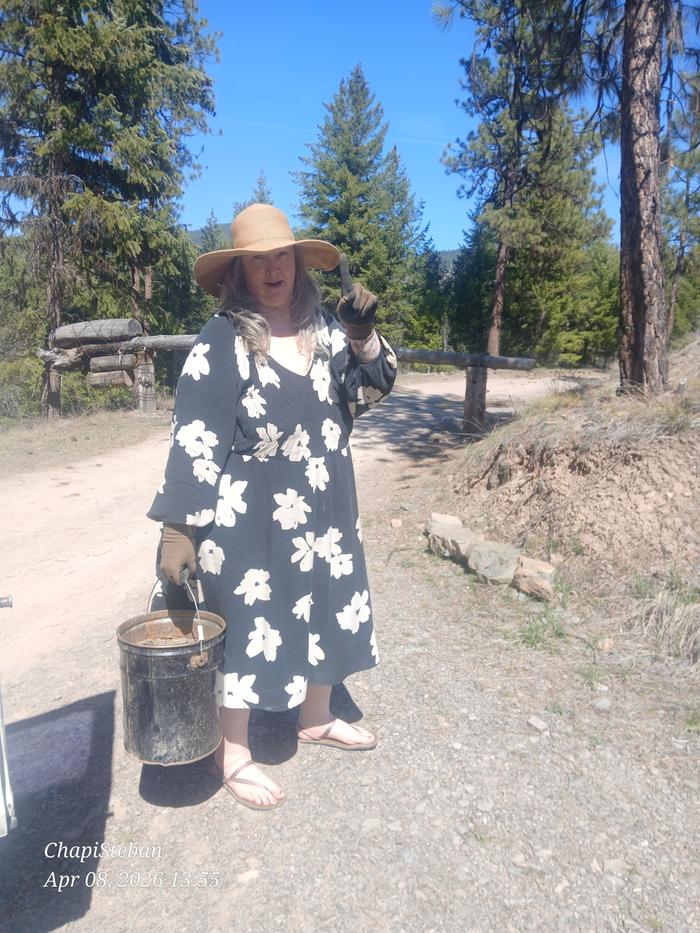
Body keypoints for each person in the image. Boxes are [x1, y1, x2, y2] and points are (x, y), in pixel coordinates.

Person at [147, 203, 397, 810]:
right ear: (239, 271)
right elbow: (195, 436)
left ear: (298, 262)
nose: (272, 268)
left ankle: (317, 715)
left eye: (281, 255)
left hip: (326, 502)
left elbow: (375, 386)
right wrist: (179, 526)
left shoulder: (327, 328)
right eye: (257, 260)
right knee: (246, 618)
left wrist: (362, 335)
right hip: (249, 514)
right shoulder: (222, 339)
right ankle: (233, 753)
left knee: (326, 601)